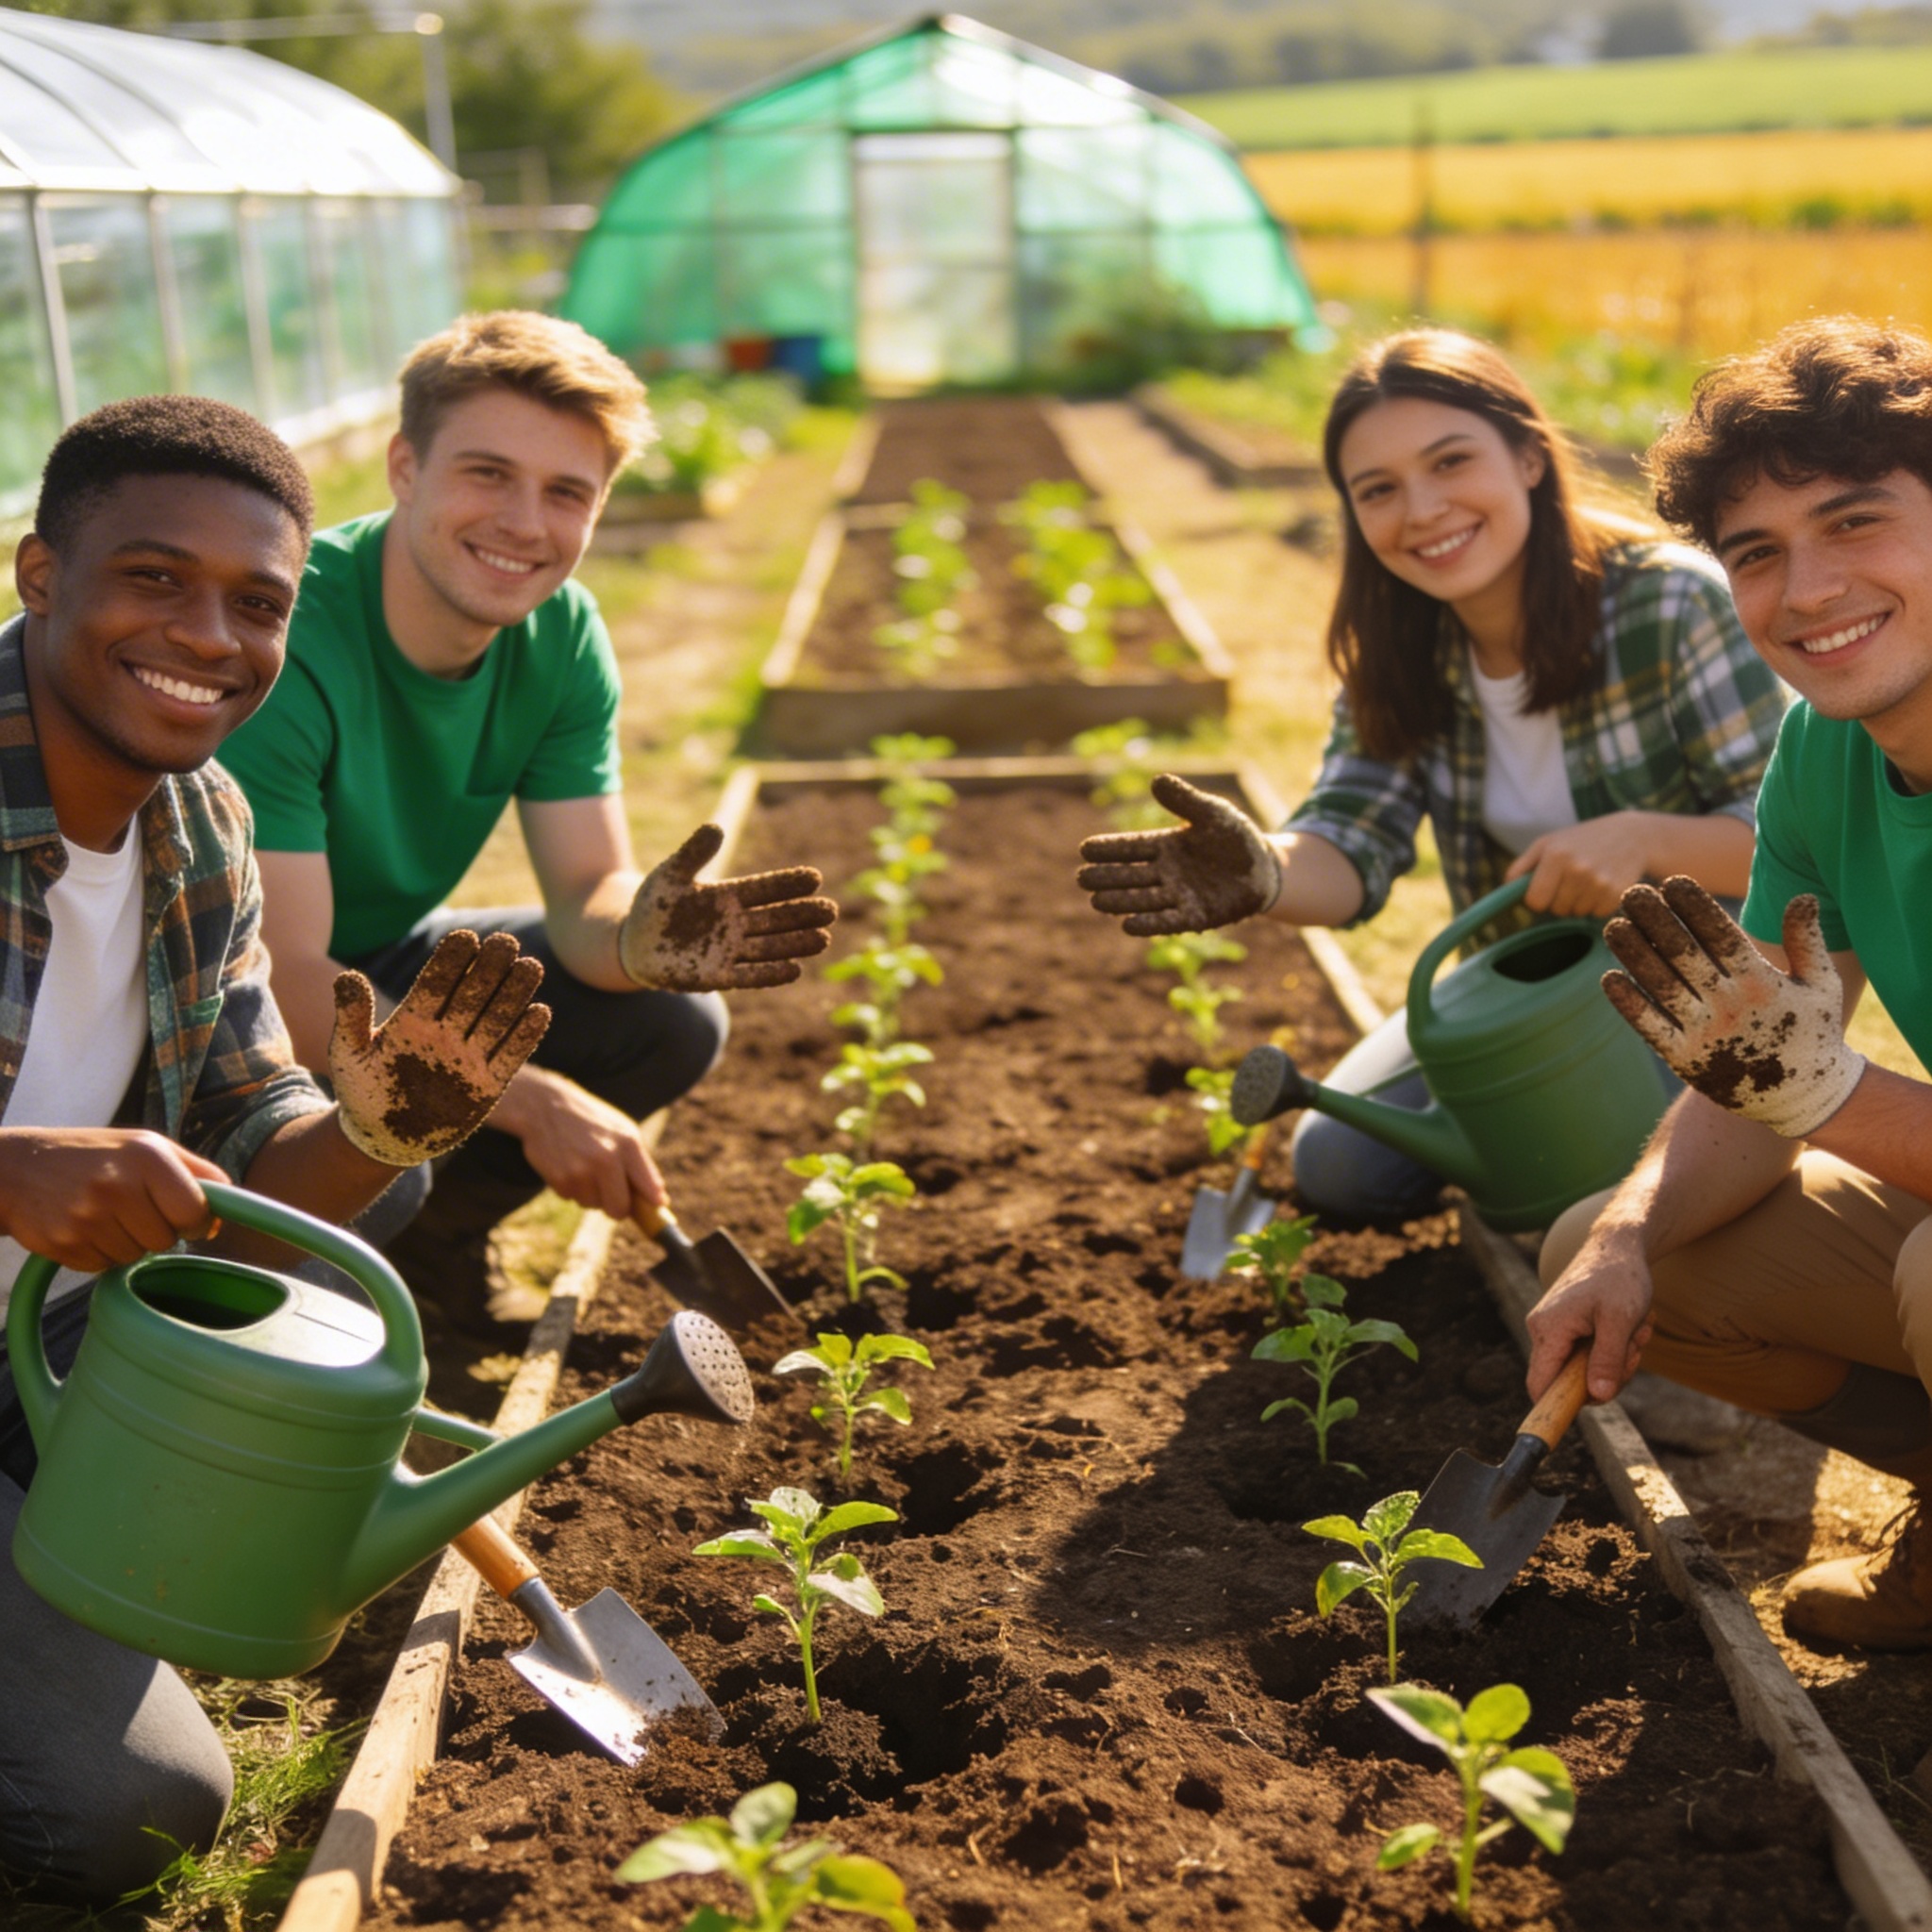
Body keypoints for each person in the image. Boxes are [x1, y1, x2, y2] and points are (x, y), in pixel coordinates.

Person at [0, 396, 552, 1903]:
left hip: (39, 1334)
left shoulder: (201, 822)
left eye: (259, 604)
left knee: (390, 1169)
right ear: (42, 574)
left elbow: (252, 1149)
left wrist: (375, 1126)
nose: (211, 636)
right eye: (154, 579)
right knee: (129, 1811)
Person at [1077, 327, 1784, 1220]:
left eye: (1451, 463)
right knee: (1339, 1165)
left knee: (1602, 1173)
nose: (1421, 510)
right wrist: (1264, 870)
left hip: (1702, 978)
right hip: (1523, 995)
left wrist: (1640, 840)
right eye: (1379, 491)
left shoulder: (1673, 605)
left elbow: (1796, 845)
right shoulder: (1405, 654)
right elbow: (1348, 843)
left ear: (1529, 456)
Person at [217, 312, 837, 1285]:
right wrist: (532, 1098)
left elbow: (586, 885)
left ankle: (436, 1264)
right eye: (486, 473)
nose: (524, 524)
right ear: (404, 467)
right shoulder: (290, 638)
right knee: (380, 1151)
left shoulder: (561, 635)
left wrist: (637, 937)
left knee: (670, 1020)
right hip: (213, 991)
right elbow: (283, 978)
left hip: (363, 953)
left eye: (566, 493)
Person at [1531, 316, 1932, 1653]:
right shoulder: (1825, 752)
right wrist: (1626, 1240)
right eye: (1757, 554)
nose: (1806, 590)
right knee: (1633, 1244)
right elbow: (1748, 1052)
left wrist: (1824, 1095)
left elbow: (1802, 1080)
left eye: (1857, 524)